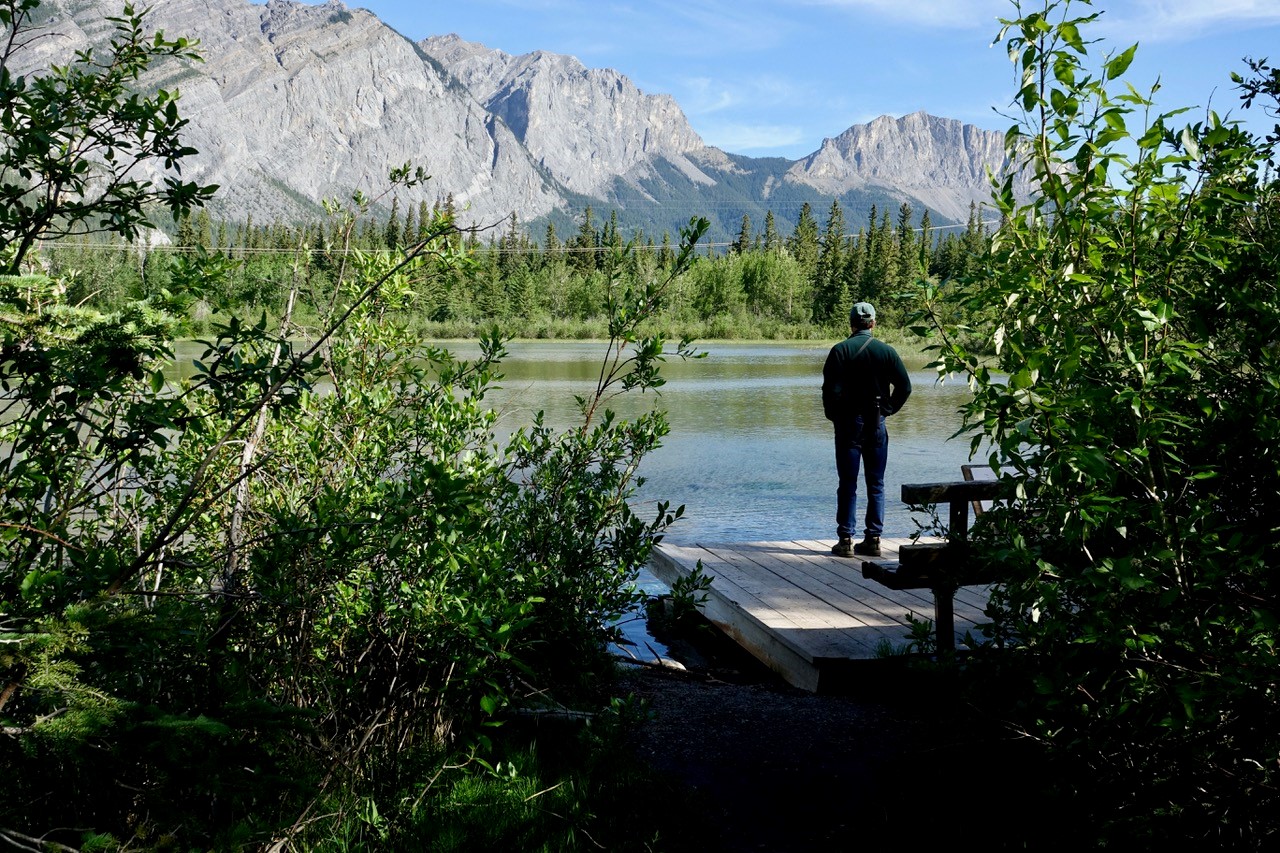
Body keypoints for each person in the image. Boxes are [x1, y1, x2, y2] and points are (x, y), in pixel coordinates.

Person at [822, 302, 911, 558]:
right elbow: (905, 387)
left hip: (848, 425)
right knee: (877, 483)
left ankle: (846, 540)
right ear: (873, 323)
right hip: (876, 424)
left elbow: (831, 392)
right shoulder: (887, 352)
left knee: (847, 483)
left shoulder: (840, 351)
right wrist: (888, 410)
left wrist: (834, 416)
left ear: (851, 323)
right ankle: (873, 539)